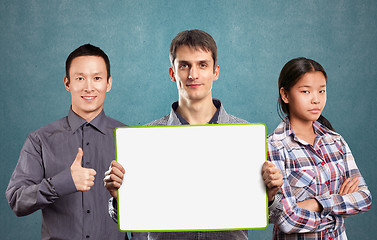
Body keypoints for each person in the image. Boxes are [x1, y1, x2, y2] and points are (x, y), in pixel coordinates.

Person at [104, 29, 283, 240]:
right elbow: (125, 218)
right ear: (172, 73)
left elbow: (274, 215)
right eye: (184, 65)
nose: (193, 74)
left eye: (202, 65)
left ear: (215, 72)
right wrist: (120, 197)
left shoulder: (245, 135)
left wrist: (270, 196)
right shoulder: (147, 139)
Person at [6, 44, 128, 239]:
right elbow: (17, 201)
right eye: (80, 78)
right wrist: (63, 182)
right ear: (67, 83)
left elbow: (146, 209)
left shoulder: (128, 138)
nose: (89, 87)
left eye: (97, 78)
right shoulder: (40, 140)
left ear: (108, 83)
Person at [267, 57, 372, 239]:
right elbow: (286, 219)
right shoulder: (275, 146)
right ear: (285, 95)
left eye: (321, 91)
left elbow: (364, 198)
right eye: (306, 91)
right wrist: (337, 213)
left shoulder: (335, 141)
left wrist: (317, 204)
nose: (316, 99)